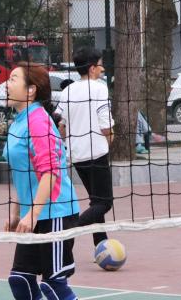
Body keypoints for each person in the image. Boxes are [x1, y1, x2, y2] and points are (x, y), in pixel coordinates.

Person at [4, 63, 80, 300]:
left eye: (13, 79)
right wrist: (17, 213)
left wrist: (33, 215)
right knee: (20, 280)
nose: (7, 84)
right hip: (34, 213)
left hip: (55, 212)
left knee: (53, 284)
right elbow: (23, 172)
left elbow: (50, 172)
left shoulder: (38, 121)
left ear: (31, 90)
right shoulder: (18, 122)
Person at [55, 47, 114, 250]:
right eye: (100, 65)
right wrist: (110, 139)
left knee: (95, 201)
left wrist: (69, 140)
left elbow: (60, 125)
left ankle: (101, 244)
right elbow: (105, 125)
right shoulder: (99, 88)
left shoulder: (67, 91)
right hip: (96, 153)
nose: (102, 68)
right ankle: (70, 232)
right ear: (91, 68)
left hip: (77, 155)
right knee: (104, 203)